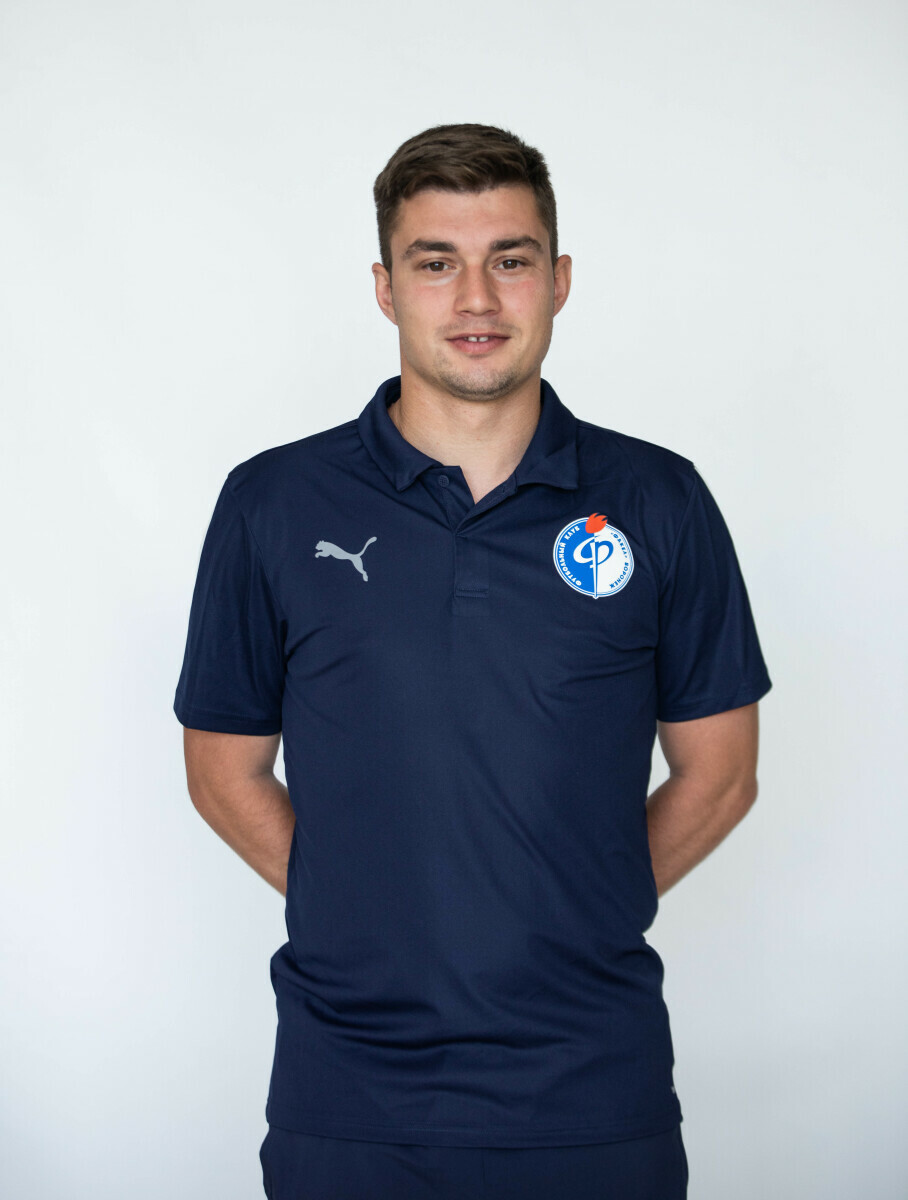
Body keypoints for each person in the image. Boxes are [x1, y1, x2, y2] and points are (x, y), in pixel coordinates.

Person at [174, 123, 771, 1200]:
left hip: (595, 1093)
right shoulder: (272, 504)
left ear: (560, 280)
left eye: (511, 259)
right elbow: (223, 772)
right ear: (384, 288)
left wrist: (573, 903)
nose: (477, 299)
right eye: (436, 263)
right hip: (348, 1094)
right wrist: (362, 906)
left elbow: (720, 774)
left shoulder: (659, 500)